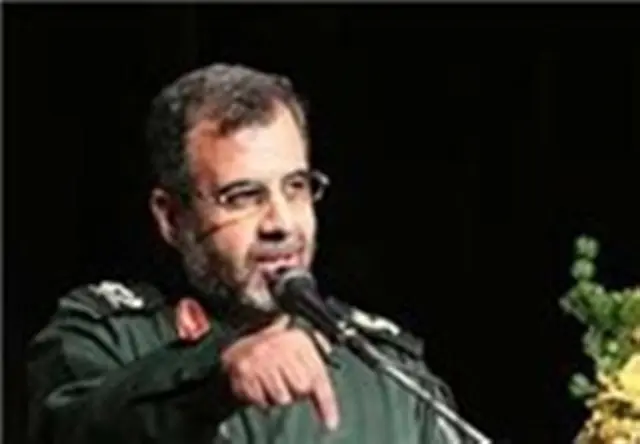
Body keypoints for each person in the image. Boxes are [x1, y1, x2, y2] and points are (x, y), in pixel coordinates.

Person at [26, 63, 462, 444]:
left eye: (296, 187)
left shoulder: (387, 373)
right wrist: (216, 377)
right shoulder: (108, 338)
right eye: (243, 197)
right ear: (172, 217)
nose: (281, 223)